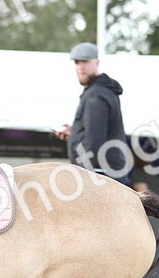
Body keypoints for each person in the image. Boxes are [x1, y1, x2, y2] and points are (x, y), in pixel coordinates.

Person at [54, 42, 129, 183]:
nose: (80, 67)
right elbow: (99, 131)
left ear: (97, 62)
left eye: (85, 61)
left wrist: (79, 174)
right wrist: (75, 133)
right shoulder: (104, 90)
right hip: (108, 170)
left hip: (100, 172)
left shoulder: (96, 94)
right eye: (77, 62)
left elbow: (94, 141)